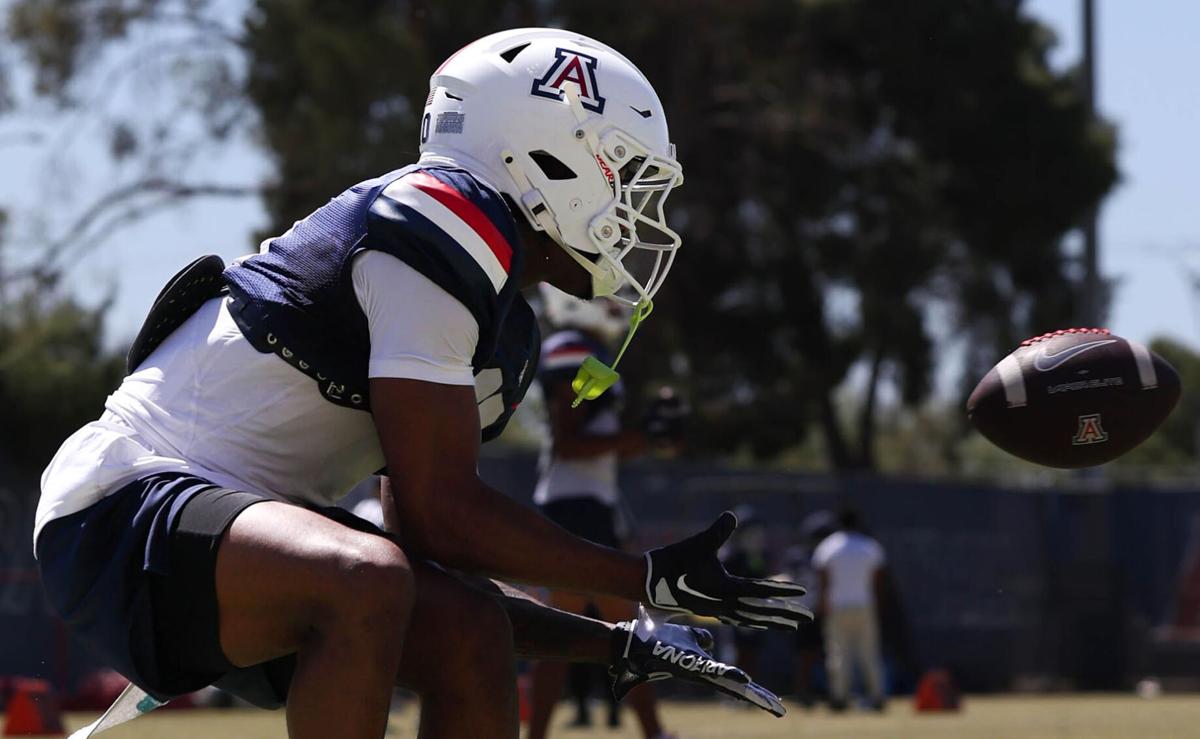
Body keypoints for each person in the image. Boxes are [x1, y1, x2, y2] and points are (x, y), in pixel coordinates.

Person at [33, 28, 810, 739]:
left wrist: (608, 642)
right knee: (361, 580)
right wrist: (643, 578)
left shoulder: (505, 328)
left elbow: (431, 563)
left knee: (470, 635)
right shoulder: (444, 213)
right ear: (545, 150)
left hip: (230, 537)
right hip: (117, 507)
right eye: (621, 170)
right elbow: (436, 521)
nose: (633, 207)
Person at [526, 289, 680, 739]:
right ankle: (655, 733)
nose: (618, 301)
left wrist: (646, 436)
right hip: (575, 508)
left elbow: (589, 446)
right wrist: (639, 436)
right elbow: (569, 444)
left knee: (572, 634)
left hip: (585, 506)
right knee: (623, 630)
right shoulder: (573, 350)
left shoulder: (586, 352)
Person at [812, 508, 887, 712]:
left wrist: (822, 603)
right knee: (869, 652)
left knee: (838, 652)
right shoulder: (869, 546)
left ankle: (839, 697)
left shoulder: (828, 547)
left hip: (837, 605)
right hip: (864, 604)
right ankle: (877, 695)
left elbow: (823, 579)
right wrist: (877, 604)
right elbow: (877, 580)